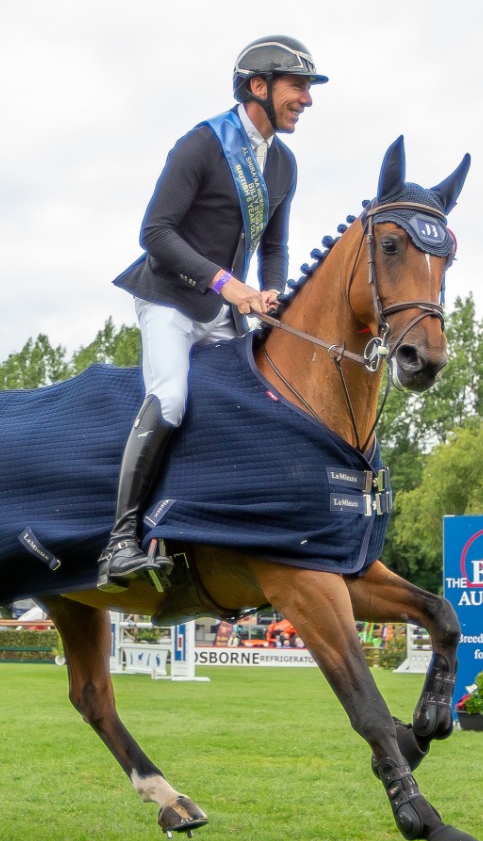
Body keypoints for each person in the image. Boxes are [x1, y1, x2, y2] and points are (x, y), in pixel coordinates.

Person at [101, 35, 327, 587]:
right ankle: (119, 543)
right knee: (173, 397)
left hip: (229, 312)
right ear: (259, 86)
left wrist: (273, 294)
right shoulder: (201, 144)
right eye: (297, 87)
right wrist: (228, 284)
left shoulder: (283, 165)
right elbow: (155, 232)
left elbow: (274, 248)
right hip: (170, 300)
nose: (307, 100)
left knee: (252, 406)